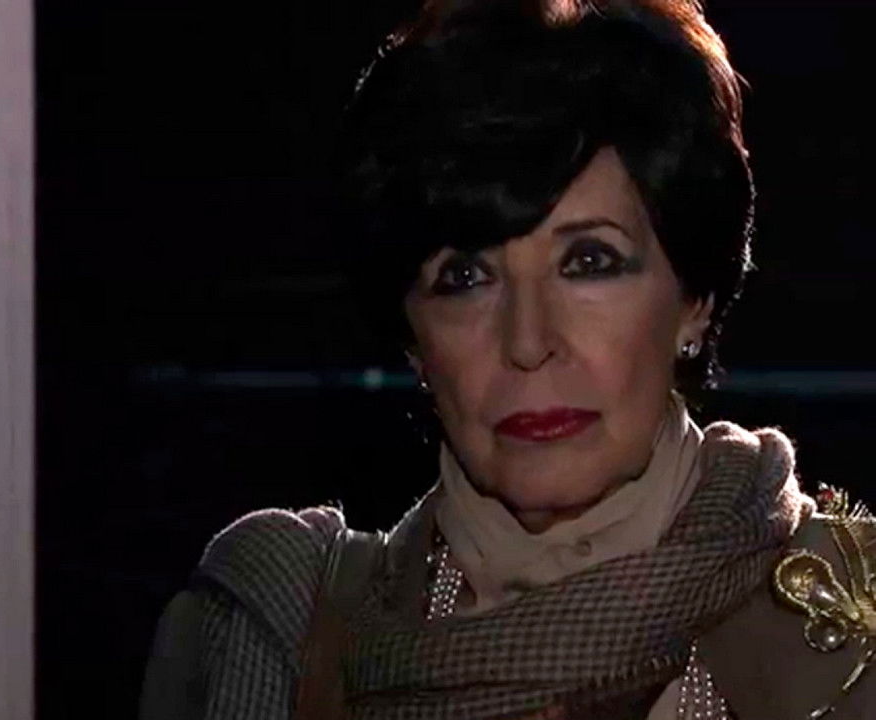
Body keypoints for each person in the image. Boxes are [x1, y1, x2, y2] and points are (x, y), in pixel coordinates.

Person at [139, 1, 876, 718]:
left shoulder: (852, 638)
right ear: (413, 338)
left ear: (695, 299)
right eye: (465, 277)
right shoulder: (273, 632)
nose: (527, 343)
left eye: (589, 262)